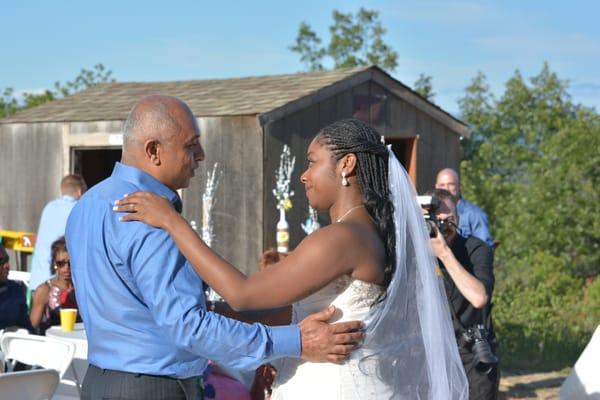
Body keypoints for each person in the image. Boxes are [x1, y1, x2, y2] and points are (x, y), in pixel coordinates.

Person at [115, 118, 469, 399]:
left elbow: (243, 293)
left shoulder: (341, 238)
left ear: (346, 165)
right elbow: (278, 309)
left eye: (312, 162)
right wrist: (197, 312)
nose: (304, 174)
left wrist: (172, 222)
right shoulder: (370, 232)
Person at [66, 95, 364, 400]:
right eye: (191, 145)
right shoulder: (151, 217)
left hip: (98, 382)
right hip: (154, 388)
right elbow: (189, 327)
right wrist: (296, 341)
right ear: (154, 150)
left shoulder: (87, 206)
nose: (201, 155)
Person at [427, 189, 499, 400]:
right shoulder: (417, 252)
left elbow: (479, 298)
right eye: (437, 221)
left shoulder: (476, 249)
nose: (443, 228)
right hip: (434, 352)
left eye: (450, 220)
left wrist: (443, 254)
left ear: (458, 218)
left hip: (472, 352)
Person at [29, 174, 87, 289]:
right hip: (58, 285)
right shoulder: (79, 209)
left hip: (38, 280)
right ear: (80, 191)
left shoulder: (49, 207)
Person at [435, 168, 495, 248]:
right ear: (436, 187)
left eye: (451, 184)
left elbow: (485, 249)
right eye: (442, 185)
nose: (446, 189)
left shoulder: (475, 214)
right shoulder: (430, 212)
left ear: (459, 186)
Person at [30, 237, 78, 334]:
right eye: (61, 263)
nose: (66, 268)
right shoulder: (44, 290)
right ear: (54, 264)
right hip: (54, 344)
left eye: (70, 263)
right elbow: (32, 327)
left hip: (79, 343)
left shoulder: (82, 288)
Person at [0, 244, 33, 332]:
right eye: (1, 262)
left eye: (7, 260)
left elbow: (27, 328)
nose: (7, 266)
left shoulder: (16, 291)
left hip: (11, 343)